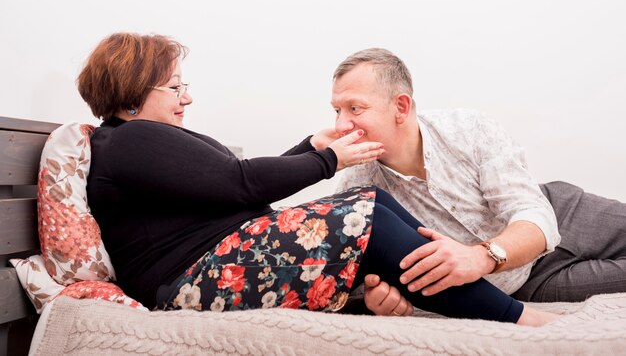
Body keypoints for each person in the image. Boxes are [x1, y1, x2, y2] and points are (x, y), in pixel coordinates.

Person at [75, 33, 559, 326]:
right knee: (363, 211)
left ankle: (482, 297)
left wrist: (315, 149)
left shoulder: (142, 144)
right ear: (134, 90)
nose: (187, 98)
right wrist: (328, 159)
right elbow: (239, 182)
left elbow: (235, 192)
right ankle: (518, 318)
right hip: (188, 283)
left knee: (367, 200)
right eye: (175, 87)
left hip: (216, 263)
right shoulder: (131, 139)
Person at [328, 47, 626, 316]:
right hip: (525, 283)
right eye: (337, 111)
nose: (341, 126)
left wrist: (481, 256)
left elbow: (534, 214)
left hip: (561, 214)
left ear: (401, 107)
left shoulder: (468, 130)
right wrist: (373, 299)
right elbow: (350, 280)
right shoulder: (355, 191)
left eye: (355, 108)